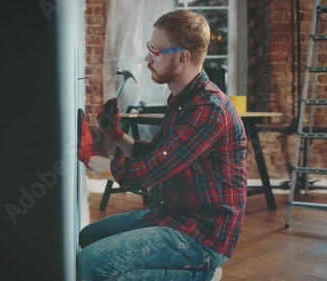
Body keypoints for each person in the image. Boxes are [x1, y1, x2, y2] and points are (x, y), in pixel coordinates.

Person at [76, 9, 247, 281]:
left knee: (92, 263)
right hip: (173, 215)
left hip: (203, 234)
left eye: (156, 51)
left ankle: (202, 275)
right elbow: (156, 156)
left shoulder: (209, 109)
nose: (147, 57)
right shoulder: (182, 100)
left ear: (183, 57)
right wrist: (117, 134)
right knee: (88, 237)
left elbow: (145, 173)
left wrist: (88, 156)